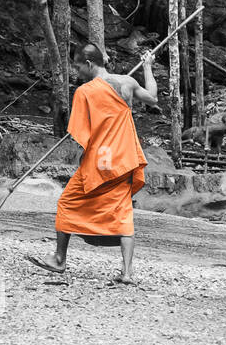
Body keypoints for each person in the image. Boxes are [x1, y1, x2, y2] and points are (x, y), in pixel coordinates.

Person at [29, 43, 157, 284]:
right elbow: (153, 98)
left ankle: (59, 259)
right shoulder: (126, 83)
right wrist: (148, 67)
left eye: (78, 67)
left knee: (67, 201)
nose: (77, 72)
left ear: (89, 64)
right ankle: (127, 273)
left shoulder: (84, 92)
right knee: (123, 211)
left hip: (100, 160)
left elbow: (81, 132)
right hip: (123, 158)